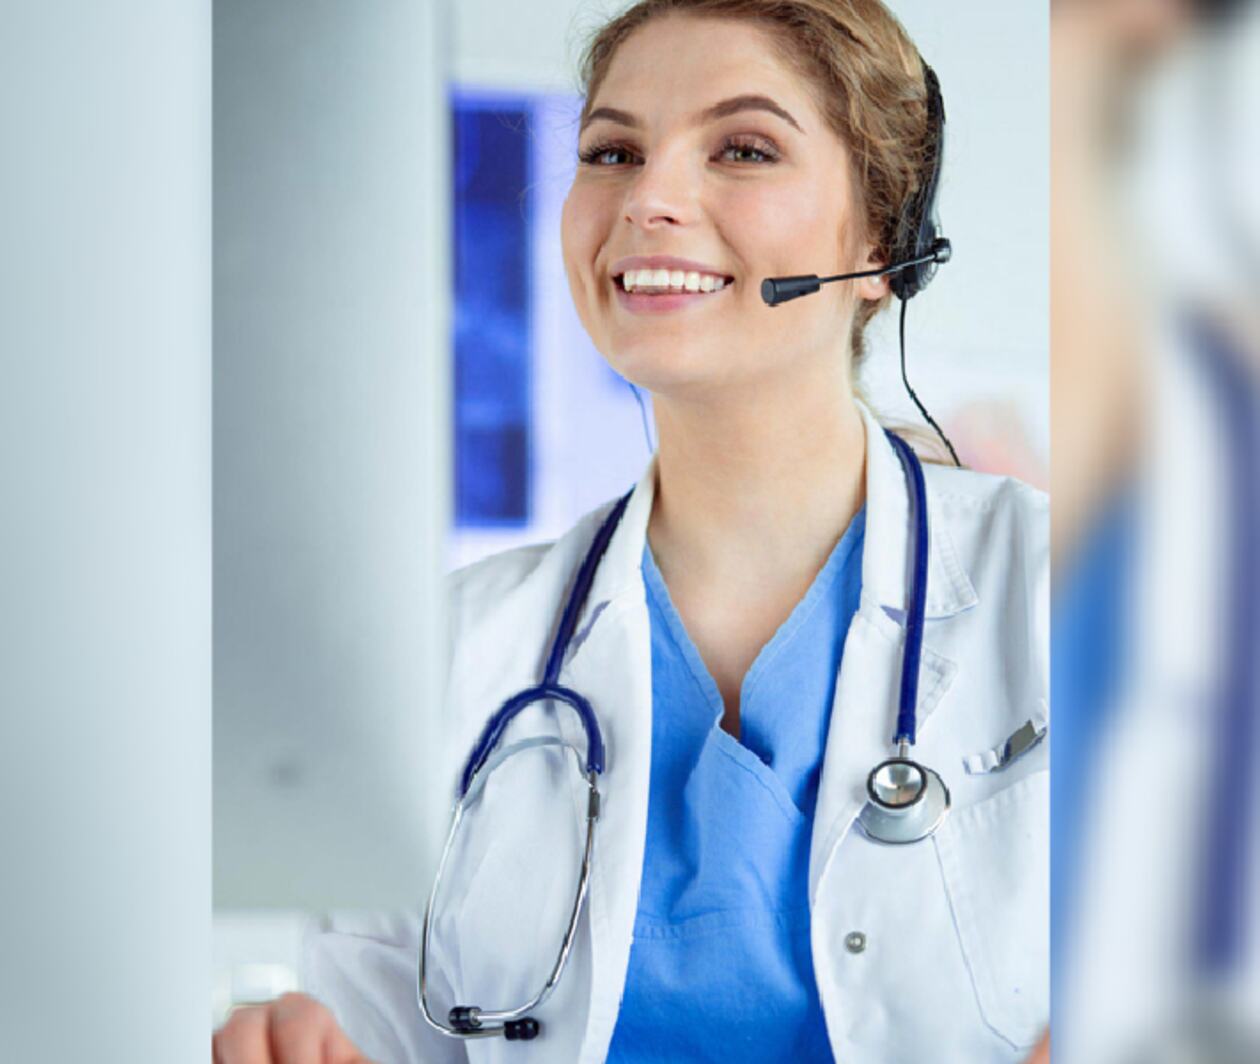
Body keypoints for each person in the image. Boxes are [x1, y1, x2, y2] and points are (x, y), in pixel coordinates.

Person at [212, 1, 1049, 1060]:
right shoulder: (454, 656)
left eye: (743, 148)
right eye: (612, 150)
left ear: (884, 241)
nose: (648, 198)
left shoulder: (1071, 594)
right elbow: (373, 1028)